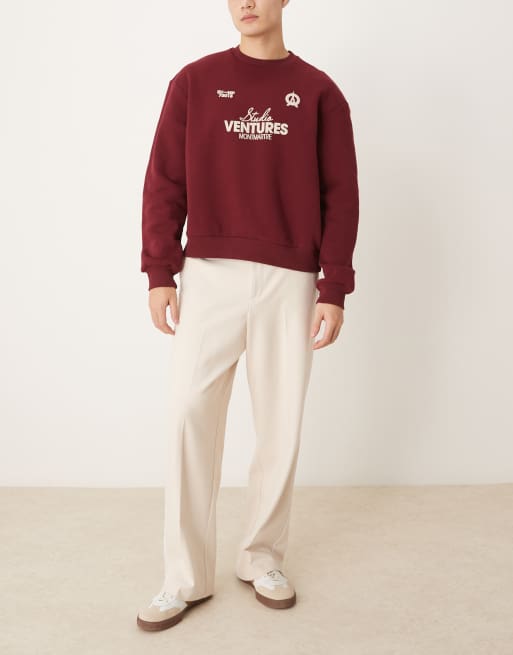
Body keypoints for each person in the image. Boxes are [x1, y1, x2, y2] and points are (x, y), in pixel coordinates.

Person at [136, 0, 359, 632]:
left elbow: (341, 195)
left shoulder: (318, 92)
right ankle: (184, 576)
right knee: (188, 413)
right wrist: (160, 270)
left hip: (292, 277)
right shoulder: (194, 82)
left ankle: (261, 558)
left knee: (280, 423)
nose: (247, 3)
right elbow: (164, 180)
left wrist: (334, 286)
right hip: (209, 273)